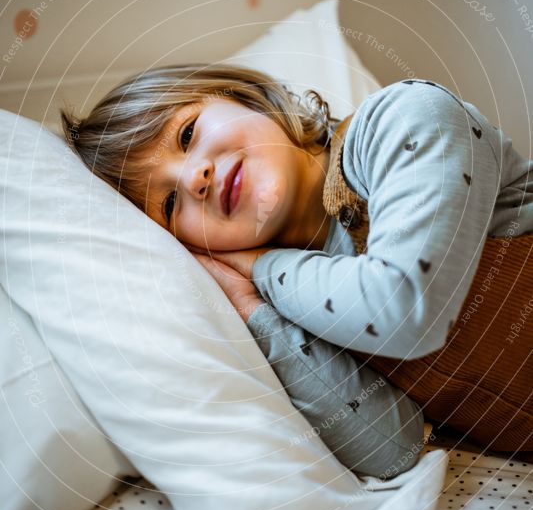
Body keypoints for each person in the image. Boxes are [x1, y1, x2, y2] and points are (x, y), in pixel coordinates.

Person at [60, 64, 533, 472]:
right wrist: (249, 306)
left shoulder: (404, 117)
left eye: (187, 134)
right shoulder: (294, 308)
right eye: (168, 204)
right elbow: (392, 448)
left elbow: (404, 309)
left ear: (244, 97)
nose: (194, 179)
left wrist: (262, 266)